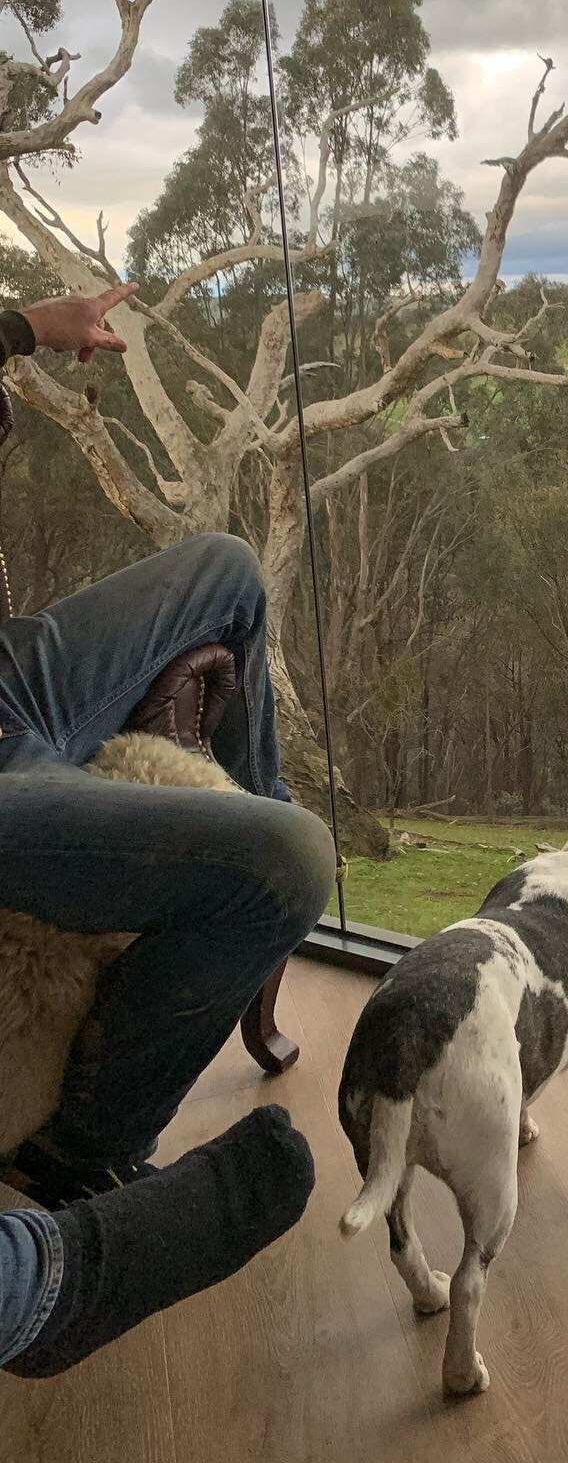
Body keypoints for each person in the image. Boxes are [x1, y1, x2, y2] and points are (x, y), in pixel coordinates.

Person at [1, 286, 328, 1376]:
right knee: (288, 860)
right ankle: (83, 1153)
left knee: (226, 570)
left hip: (8, 686)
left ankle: (244, 899)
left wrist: (29, 328)